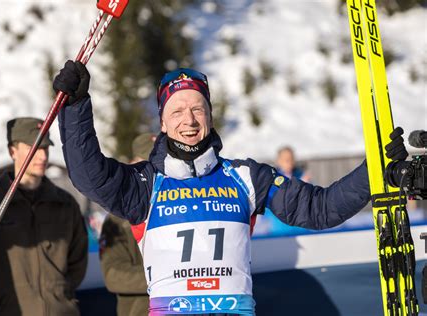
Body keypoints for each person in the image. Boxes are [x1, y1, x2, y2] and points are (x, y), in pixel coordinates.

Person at [53, 62, 405, 315]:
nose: (188, 121)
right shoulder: (145, 184)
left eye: (197, 109)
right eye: (176, 111)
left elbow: (320, 209)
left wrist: (374, 170)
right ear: (162, 122)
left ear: (209, 114)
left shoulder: (246, 177)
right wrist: (76, 107)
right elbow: (89, 176)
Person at [0, 117, 88, 316]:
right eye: (33, 148)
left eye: (45, 149)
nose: (42, 157)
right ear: (12, 151)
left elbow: (78, 262)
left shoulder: (65, 204)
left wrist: (58, 295)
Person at [99, 133, 155, 316]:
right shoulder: (117, 219)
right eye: (146, 164)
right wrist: (167, 275)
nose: (154, 172)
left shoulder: (182, 208)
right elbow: (114, 276)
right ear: (133, 164)